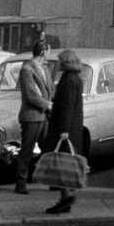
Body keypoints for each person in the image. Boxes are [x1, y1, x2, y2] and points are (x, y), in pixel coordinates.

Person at [44, 49, 87, 215]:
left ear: (66, 62)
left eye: (60, 60)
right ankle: (65, 198)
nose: (58, 63)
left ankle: (66, 197)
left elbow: (67, 106)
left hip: (64, 129)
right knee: (64, 166)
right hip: (72, 127)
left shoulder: (68, 80)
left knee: (60, 166)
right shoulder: (75, 78)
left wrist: (63, 130)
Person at [14, 36, 53, 194]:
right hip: (31, 116)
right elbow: (31, 95)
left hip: (45, 117)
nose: (50, 54)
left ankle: (51, 180)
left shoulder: (45, 69)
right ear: (43, 52)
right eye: (49, 51)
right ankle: (20, 183)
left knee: (48, 150)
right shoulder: (27, 69)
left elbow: (51, 90)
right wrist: (49, 105)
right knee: (27, 151)